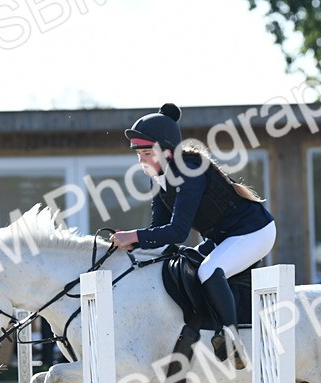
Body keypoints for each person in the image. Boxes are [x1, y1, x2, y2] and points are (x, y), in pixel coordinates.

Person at [109, 103, 275, 369]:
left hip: (254, 230)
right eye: (138, 154)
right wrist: (134, 244)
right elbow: (160, 233)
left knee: (209, 270)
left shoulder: (189, 171)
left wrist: (135, 236)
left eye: (145, 153)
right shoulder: (161, 178)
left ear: (166, 152)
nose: (141, 161)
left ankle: (232, 339)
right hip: (224, 235)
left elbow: (178, 231)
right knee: (189, 265)